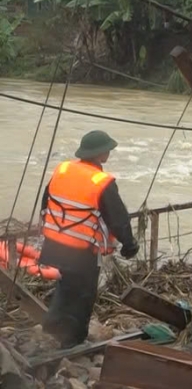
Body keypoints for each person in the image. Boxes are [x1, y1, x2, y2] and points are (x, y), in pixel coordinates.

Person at [38, 131, 138, 348]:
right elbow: (118, 219)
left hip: (54, 244)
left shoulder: (63, 169)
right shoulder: (101, 182)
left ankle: (51, 331)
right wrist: (129, 245)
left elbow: (47, 200)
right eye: (108, 150)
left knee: (65, 287)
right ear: (101, 154)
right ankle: (72, 341)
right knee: (83, 294)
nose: (109, 153)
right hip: (81, 251)